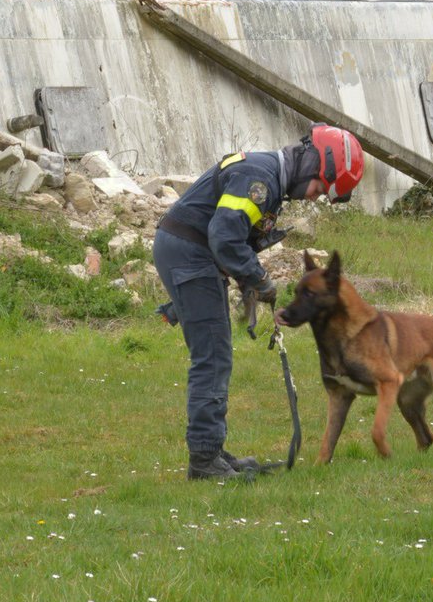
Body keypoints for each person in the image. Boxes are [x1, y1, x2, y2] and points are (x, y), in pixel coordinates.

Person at [152, 124, 365, 480]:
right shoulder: (260, 180)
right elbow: (224, 237)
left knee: (216, 355)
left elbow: (229, 236)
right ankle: (204, 461)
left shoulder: (269, 179)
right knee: (213, 358)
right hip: (189, 256)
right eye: (318, 188)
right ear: (314, 164)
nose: (313, 197)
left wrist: (247, 278)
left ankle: (213, 452)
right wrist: (258, 278)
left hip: (191, 254)